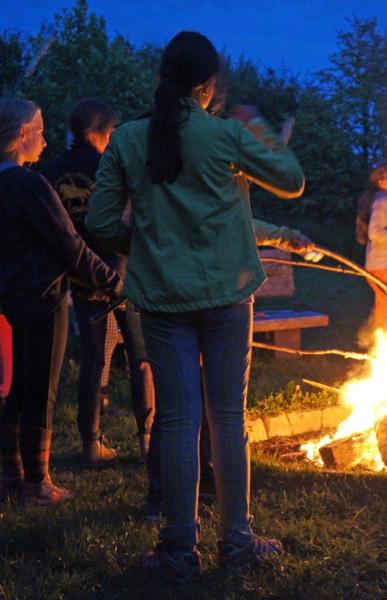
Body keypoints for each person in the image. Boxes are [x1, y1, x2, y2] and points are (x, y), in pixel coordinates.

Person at [86, 31, 308, 580]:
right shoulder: (225, 135)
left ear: (163, 79)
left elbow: (98, 222)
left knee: (180, 420)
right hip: (228, 297)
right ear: (207, 87)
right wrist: (255, 125)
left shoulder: (129, 140)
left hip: (162, 300)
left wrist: (145, 245)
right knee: (227, 418)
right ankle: (237, 543)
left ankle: (178, 549)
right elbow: (292, 180)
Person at [0, 98, 121, 506]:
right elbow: (69, 244)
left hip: (10, 298)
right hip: (43, 296)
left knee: (17, 386)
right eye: (40, 130)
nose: (47, 140)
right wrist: (111, 282)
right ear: (21, 135)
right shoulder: (30, 185)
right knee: (41, 389)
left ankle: (11, 476)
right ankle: (38, 483)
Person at [43, 98, 155, 467]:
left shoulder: (53, 171)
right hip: (125, 274)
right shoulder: (113, 165)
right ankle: (147, 442)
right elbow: (131, 215)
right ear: (102, 132)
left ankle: (91, 444)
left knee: (94, 360)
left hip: (83, 275)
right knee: (142, 359)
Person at [356, 164, 387, 332]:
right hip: (383, 267)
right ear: (383, 182)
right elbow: (375, 233)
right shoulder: (383, 200)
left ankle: (381, 351)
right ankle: (386, 352)